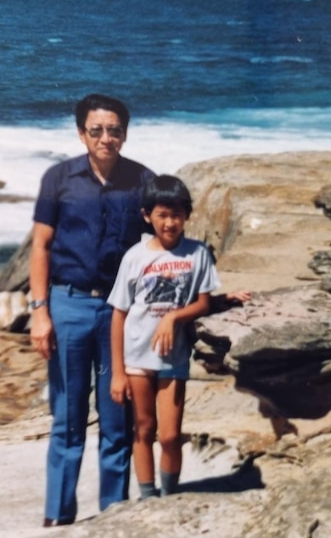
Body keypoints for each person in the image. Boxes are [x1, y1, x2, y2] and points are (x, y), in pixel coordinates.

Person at [30, 93, 156, 527]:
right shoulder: (59, 179)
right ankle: (58, 518)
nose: (106, 138)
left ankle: (112, 517)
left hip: (121, 313)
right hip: (68, 307)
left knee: (116, 418)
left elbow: (163, 241)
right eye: (97, 130)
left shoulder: (143, 180)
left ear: (125, 132)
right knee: (67, 419)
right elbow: (40, 246)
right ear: (81, 132)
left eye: (114, 130)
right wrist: (39, 311)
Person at [107, 174, 220, 499]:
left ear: (187, 215)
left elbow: (203, 302)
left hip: (173, 356)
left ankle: (170, 498)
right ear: (147, 216)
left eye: (176, 215)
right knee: (143, 429)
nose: (170, 223)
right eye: (162, 215)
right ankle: (147, 498)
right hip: (137, 357)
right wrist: (117, 372)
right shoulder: (135, 256)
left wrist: (173, 316)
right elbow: (119, 314)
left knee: (170, 436)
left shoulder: (197, 253)